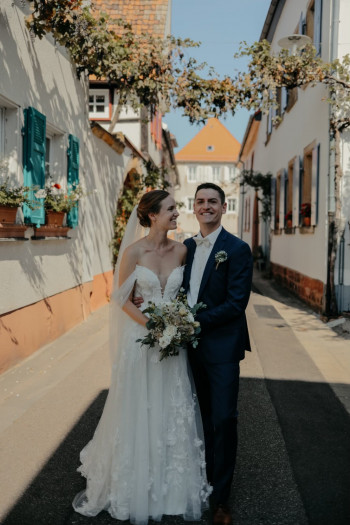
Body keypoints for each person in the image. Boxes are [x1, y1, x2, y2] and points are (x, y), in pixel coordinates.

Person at [72, 189, 211, 525]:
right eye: (171, 209)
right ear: (152, 215)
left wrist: (176, 325)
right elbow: (120, 298)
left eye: (177, 209)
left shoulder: (182, 250)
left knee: (170, 407)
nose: (177, 214)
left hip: (172, 341)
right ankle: (131, 483)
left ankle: (171, 488)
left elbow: (188, 294)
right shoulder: (134, 252)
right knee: (139, 406)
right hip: (142, 339)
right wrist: (153, 325)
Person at [183, 183, 253, 525]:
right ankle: (197, 479)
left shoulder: (237, 249)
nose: (206, 206)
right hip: (187, 349)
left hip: (223, 348)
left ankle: (221, 499)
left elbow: (236, 303)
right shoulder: (186, 247)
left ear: (224, 207)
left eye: (213, 201)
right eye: (200, 201)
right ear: (193, 208)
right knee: (196, 419)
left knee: (223, 420)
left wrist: (191, 321)